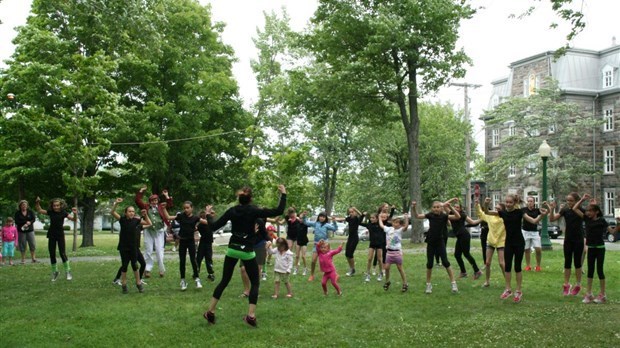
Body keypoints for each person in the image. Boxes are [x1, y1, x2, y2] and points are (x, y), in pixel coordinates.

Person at [203, 184, 286, 328]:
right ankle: (251, 316)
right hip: (247, 251)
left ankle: (210, 311)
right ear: (250, 198)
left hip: (232, 249)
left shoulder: (232, 210)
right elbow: (278, 210)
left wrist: (209, 215)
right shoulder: (254, 210)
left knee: (224, 281)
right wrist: (283, 194)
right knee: (255, 282)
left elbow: (213, 226)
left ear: (239, 198)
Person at [483, 194, 546, 303]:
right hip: (508, 243)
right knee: (507, 266)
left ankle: (518, 290)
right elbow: (487, 212)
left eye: (510, 202)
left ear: (514, 203)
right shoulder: (502, 213)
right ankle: (508, 289)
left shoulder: (520, 212)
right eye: (506, 202)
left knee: (517, 267)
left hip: (519, 243)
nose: (507, 204)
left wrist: (542, 216)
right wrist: (486, 204)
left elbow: (534, 221)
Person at [412, 200, 459, 294]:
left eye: (438, 207)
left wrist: (450, 207)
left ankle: (453, 283)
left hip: (440, 242)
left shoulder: (444, 216)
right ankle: (428, 285)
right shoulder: (430, 215)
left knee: (445, 262)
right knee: (429, 264)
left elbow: (457, 216)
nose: (436, 209)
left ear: (441, 208)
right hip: (431, 242)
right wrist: (413, 207)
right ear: (432, 208)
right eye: (434, 207)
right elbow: (417, 216)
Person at [161, 201, 208, 291]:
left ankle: (197, 278)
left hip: (191, 241)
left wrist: (208, 214)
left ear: (191, 208)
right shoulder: (181, 216)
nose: (186, 209)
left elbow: (206, 222)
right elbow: (168, 217)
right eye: (184, 208)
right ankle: (183, 280)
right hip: (182, 241)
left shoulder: (195, 218)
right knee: (182, 261)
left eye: (187, 208)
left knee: (193, 260)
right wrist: (163, 208)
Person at [110, 198, 152, 294]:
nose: (131, 213)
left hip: (133, 247)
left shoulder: (136, 221)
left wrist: (145, 215)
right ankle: (124, 284)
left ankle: (138, 283)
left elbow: (149, 223)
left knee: (135, 265)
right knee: (124, 266)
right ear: (126, 213)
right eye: (129, 211)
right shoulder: (122, 220)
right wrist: (116, 203)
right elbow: (112, 212)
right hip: (123, 247)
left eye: (133, 211)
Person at [572, 194, 608, 304]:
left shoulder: (602, 220)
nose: (588, 212)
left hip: (600, 248)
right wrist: (582, 199)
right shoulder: (587, 219)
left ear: (596, 212)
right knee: (590, 271)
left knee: (600, 271)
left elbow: (611, 231)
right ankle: (589, 293)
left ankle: (602, 294)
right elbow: (575, 208)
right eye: (587, 211)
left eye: (590, 211)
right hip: (591, 248)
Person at [547, 192, 584, 296]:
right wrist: (552, 209)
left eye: (571, 201)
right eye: (567, 200)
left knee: (577, 263)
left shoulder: (580, 210)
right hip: (568, 239)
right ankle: (566, 284)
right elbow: (552, 219)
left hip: (578, 239)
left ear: (576, 201)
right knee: (567, 262)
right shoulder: (565, 210)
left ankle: (578, 285)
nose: (569, 202)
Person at [35, 197, 78, 281]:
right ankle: (55, 272)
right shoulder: (50, 212)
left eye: (57, 205)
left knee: (62, 253)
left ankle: (68, 271)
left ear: (60, 206)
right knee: (52, 254)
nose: (56, 207)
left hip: (60, 235)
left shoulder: (64, 213)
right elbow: (40, 210)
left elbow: (74, 219)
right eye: (54, 205)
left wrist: (75, 213)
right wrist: (37, 202)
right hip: (52, 234)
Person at [135, 185, 173, 278]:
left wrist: (167, 196)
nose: (154, 202)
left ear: (158, 201)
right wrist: (141, 191)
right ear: (150, 201)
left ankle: (161, 270)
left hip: (159, 231)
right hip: (148, 231)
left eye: (155, 200)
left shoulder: (161, 206)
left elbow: (170, 205)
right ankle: (147, 270)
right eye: (152, 200)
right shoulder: (146, 206)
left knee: (160, 251)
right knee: (148, 250)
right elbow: (137, 201)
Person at [475, 197, 507, 288]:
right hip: (491, 241)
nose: (496, 210)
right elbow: (481, 214)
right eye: (496, 208)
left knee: (502, 263)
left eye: (498, 209)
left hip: (501, 242)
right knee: (488, 263)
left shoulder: (504, 218)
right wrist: (478, 205)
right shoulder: (490, 216)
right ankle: (487, 281)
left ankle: (507, 282)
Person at [378, 212, 409, 292]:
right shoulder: (389, 229)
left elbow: (406, 227)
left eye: (397, 223)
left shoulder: (400, 231)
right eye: (394, 222)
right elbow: (381, 225)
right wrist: (379, 217)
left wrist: (406, 218)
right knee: (387, 268)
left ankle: (405, 283)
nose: (395, 224)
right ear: (392, 223)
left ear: (400, 224)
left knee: (400, 268)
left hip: (397, 253)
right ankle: (387, 281)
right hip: (389, 253)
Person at [302, 211, 338, 282]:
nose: (322, 218)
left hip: (325, 246)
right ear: (318, 217)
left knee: (328, 261)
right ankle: (312, 275)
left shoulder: (327, 225)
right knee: (313, 260)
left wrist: (334, 221)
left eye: (323, 217)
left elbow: (334, 228)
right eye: (321, 216)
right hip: (316, 245)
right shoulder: (316, 224)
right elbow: (306, 222)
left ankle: (334, 274)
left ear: (325, 218)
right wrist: (304, 216)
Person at [239, 219, 271, 296]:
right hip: (247, 245)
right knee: (243, 269)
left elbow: (265, 234)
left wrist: (269, 241)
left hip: (259, 246)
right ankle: (246, 291)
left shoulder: (259, 221)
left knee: (257, 269)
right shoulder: (243, 220)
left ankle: (255, 290)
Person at [452, 202, 482, 279]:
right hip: (459, 236)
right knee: (457, 255)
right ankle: (463, 272)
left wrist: (482, 219)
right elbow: (444, 206)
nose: (456, 208)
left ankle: (477, 271)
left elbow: (473, 222)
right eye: (454, 207)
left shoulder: (462, 215)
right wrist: (452, 200)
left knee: (466, 254)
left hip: (464, 236)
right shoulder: (450, 214)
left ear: (461, 209)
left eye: (458, 207)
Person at [341, 207, 364, 277]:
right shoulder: (349, 219)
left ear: (355, 212)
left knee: (350, 254)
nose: (351, 213)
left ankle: (352, 269)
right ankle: (351, 268)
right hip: (350, 238)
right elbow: (341, 219)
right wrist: (331, 218)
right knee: (346, 254)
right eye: (350, 212)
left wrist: (356, 209)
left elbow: (361, 215)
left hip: (355, 238)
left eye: (352, 212)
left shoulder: (357, 219)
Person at [361, 213, 384, 282]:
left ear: (377, 219)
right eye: (371, 218)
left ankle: (380, 273)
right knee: (369, 259)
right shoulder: (369, 225)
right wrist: (362, 215)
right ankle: (367, 274)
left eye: (373, 218)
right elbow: (359, 222)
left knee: (380, 259)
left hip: (379, 244)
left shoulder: (380, 225)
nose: (371, 219)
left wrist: (380, 217)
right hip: (372, 244)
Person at [522, 196, 543, 272]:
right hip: (525, 231)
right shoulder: (523, 210)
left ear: (534, 202)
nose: (530, 202)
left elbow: (545, 213)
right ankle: (528, 266)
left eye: (531, 201)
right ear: (527, 202)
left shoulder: (537, 210)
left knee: (538, 249)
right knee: (526, 249)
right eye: (528, 201)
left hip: (534, 232)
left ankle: (538, 266)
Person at [196, 211, 216, 282]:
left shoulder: (200, 225)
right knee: (208, 259)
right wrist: (212, 216)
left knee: (199, 258)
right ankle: (210, 273)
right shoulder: (208, 224)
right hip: (208, 244)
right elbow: (212, 222)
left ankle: (196, 272)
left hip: (203, 243)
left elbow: (195, 228)